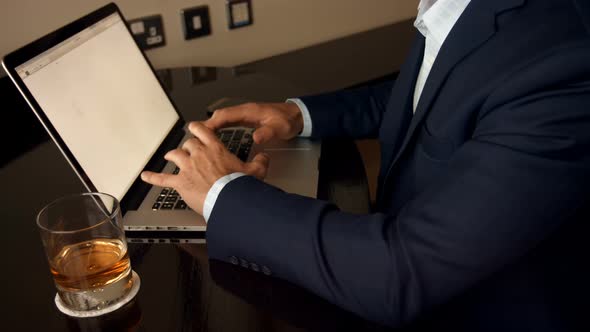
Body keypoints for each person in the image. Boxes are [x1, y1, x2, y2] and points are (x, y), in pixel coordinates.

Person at [141, 0, 590, 329]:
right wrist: (300, 115)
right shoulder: (461, 9)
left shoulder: (564, 58)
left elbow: (401, 273)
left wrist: (226, 195)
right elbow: (432, 92)